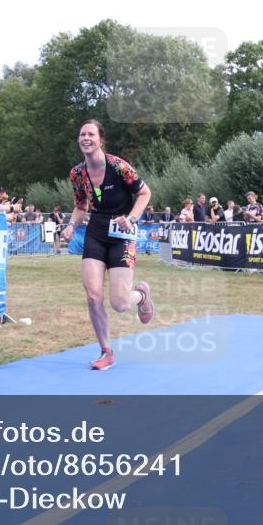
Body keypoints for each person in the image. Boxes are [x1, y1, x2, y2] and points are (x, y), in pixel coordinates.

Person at [60, 119, 154, 371]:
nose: (85, 138)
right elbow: (81, 206)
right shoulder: (77, 173)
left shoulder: (119, 166)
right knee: (93, 295)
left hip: (123, 233)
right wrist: (71, 225)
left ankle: (141, 295)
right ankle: (106, 351)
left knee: (120, 303)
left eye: (91, 134)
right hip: (96, 231)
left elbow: (145, 193)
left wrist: (132, 218)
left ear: (101, 140)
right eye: (82, 134)